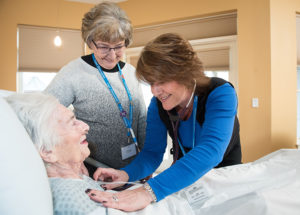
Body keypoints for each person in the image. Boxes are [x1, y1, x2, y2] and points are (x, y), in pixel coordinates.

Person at [86, 33, 242, 212]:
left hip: (225, 184)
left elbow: (211, 150)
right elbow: (152, 153)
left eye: (161, 81)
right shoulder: (158, 106)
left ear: (185, 73)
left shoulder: (220, 93)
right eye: (151, 83)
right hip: (187, 184)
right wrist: (124, 174)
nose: (154, 91)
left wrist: (148, 192)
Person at [45, 2, 146, 175]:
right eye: (104, 46)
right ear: (90, 42)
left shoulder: (131, 72)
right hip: (92, 169)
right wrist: (69, 159)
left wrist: (145, 162)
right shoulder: (73, 72)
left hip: (133, 169)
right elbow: (43, 114)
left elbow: (141, 118)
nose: (112, 55)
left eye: (119, 46)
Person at [5, 93, 108, 214]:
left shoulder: (76, 181)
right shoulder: (72, 199)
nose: (86, 126)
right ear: (47, 151)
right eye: (72, 123)